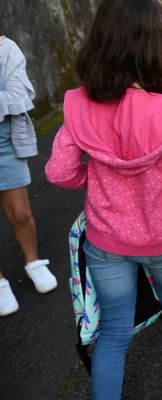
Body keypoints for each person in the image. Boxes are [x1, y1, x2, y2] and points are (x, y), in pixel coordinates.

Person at [45, 0, 162, 398]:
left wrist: (95, 178)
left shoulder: (78, 104)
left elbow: (58, 172)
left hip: (105, 241)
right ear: (153, 49)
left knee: (114, 329)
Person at [0, 36, 57, 317]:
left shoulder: (6, 48)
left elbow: (20, 97)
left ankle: (33, 262)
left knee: (21, 213)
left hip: (5, 141)